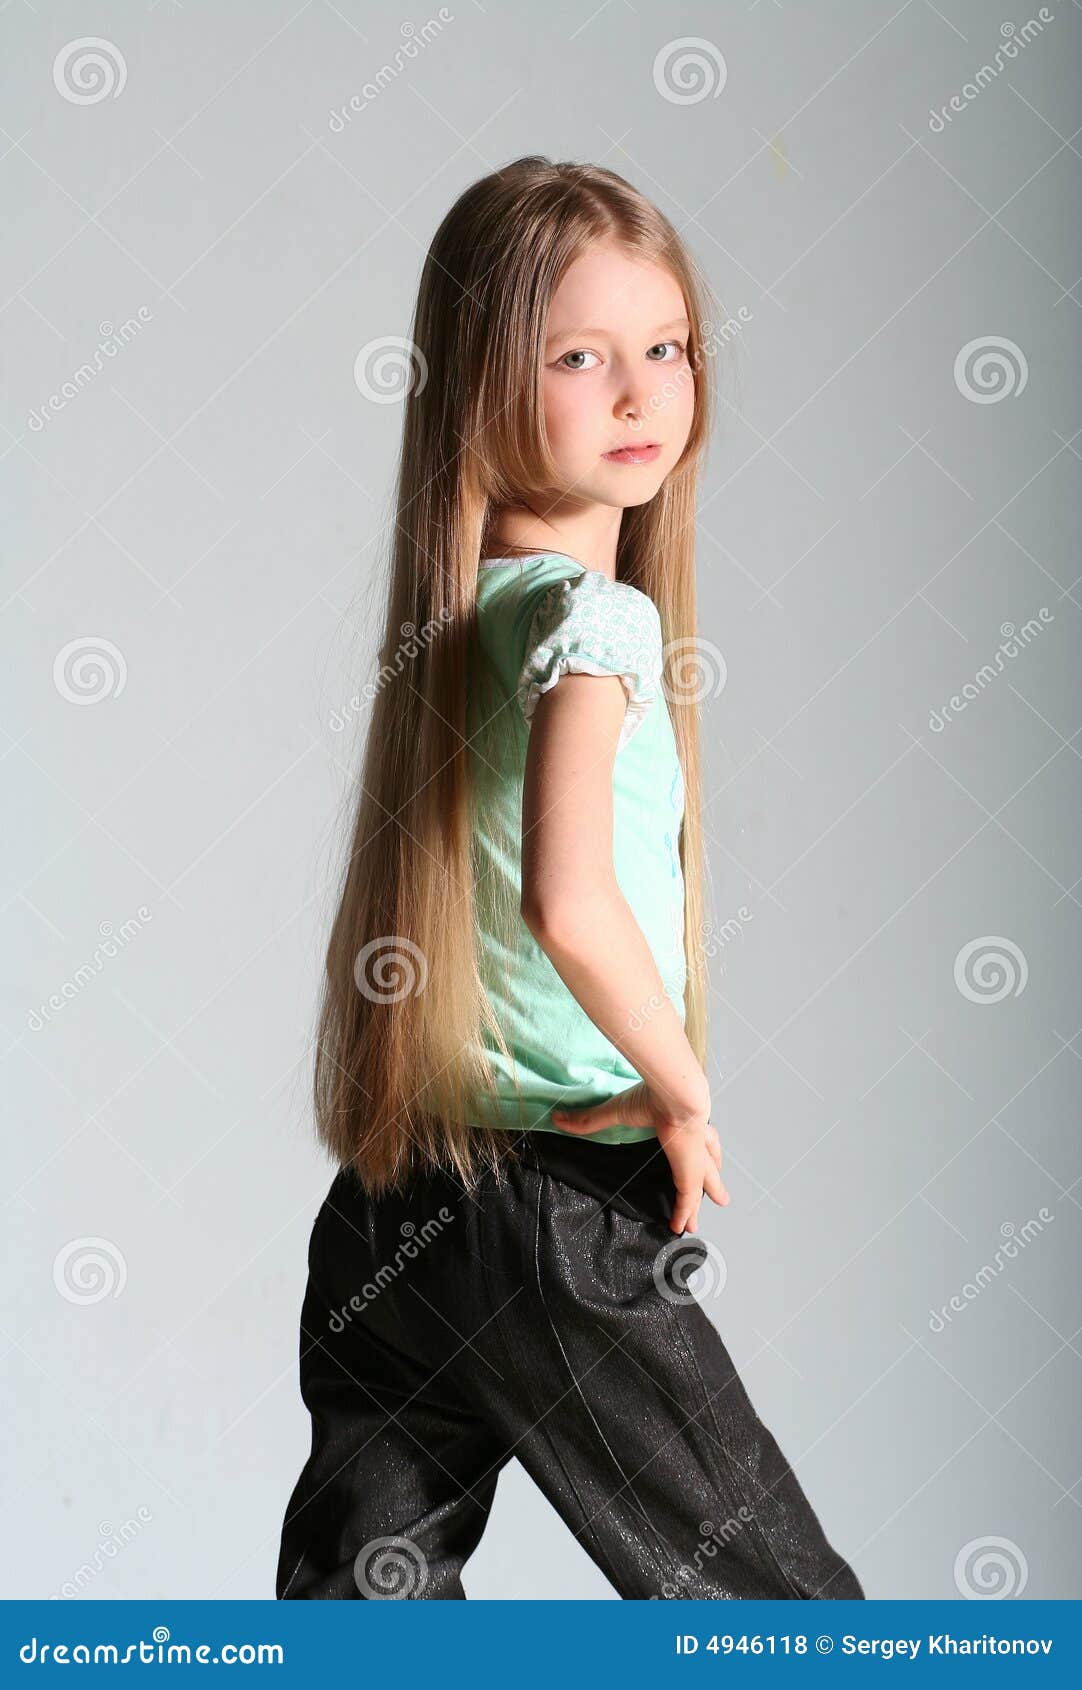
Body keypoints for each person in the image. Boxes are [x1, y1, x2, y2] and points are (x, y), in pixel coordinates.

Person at [275, 155, 864, 1602]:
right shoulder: (593, 623)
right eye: (577, 355)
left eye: (662, 348)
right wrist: (681, 1085)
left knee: (365, 1612)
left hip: (392, 1207)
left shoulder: (458, 628)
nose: (635, 393)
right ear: (481, 384)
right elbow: (568, 898)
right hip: (553, 1201)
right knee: (786, 1621)